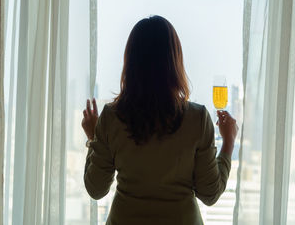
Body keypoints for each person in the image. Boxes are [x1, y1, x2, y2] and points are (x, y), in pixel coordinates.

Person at [81, 15, 238, 225]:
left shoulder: (111, 117)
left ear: (131, 62)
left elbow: (96, 189)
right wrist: (228, 142)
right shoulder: (197, 118)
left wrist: (93, 137)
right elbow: (210, 193)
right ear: (175, 61)